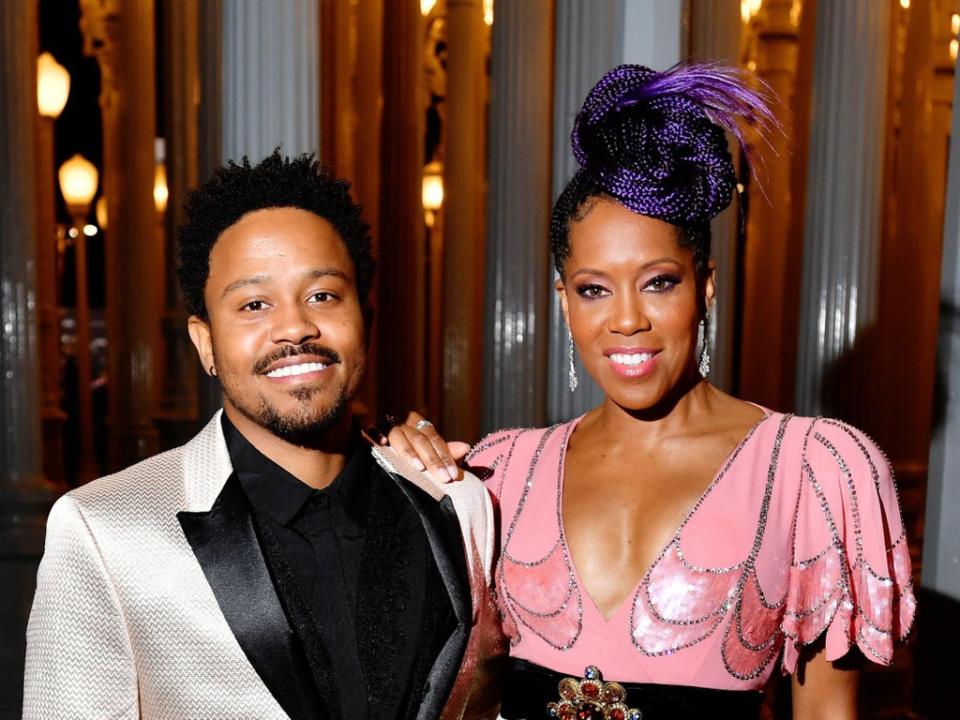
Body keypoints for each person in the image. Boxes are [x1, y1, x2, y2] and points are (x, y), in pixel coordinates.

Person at [384, 64, 916, 720]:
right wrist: (398, 475)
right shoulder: (503, 473)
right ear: (564, 302)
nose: (627, 319)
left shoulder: (809, 472)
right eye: (594, 289)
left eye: (659, 281)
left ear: (706, 286)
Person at [23, 151, 503, 720]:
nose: (295, 326)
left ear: (365, 321)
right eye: (254, 304)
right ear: (205, 343)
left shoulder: (458, 502)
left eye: (323, 295)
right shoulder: (103, 529)